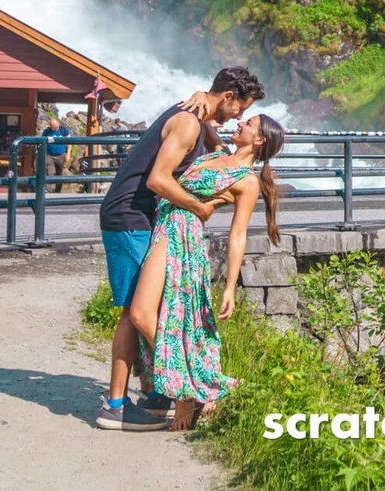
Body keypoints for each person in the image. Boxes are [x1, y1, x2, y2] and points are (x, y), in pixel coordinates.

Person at [94, 67, 264, 432]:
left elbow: (216, 144)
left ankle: (157, 393)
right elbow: (158, 178)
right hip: (131, 216)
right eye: (239, 109)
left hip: (146, 218)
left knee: (149, 309)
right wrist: (200, 208)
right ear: (229, 97)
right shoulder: (190, 121)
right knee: (134, 312)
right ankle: (120, 405)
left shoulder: (196, 117)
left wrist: (203, 98)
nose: (238, 117)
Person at [130, 112, 285, 430]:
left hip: (182, 234)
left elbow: (238, 234)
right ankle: (190, 388)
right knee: (152, 316)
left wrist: (230, 286)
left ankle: (186, 391)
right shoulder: (218, 154)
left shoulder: (247, 180)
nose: (240, 124)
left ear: (259, 140)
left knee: (142, 314)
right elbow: (203, 118)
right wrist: (202, 101)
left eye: (249, 124)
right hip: (163, 225)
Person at [42, 115, 71, 187]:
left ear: (57, 125)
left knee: (59, 172)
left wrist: (68, 154)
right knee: (49, 171)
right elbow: (42, 141)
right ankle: (48, 190)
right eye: (52, 126)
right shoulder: (47, 131)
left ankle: (58, 190)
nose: (53, 128)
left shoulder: (64, 130)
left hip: (61, 155)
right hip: (49, 154)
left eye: (54, 126)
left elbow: (70, 142)